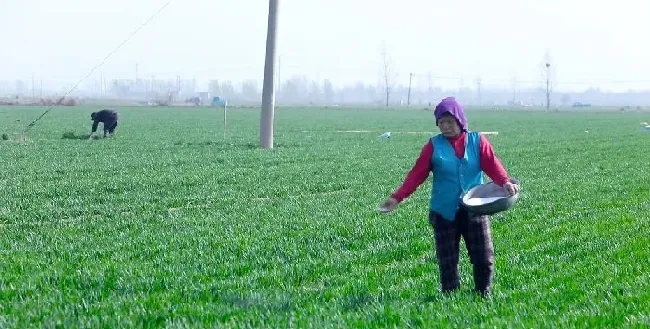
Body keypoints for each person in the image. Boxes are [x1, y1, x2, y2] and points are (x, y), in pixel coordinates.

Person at [379, 96, 520, 297]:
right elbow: (417, 174)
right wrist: (397, 197)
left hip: (475, 209)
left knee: (483, 257)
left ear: (460, 121)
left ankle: (483, 293)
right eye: (441, 122)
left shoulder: (477, 141)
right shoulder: (433, 146)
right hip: (444, 211)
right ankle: (450, 296)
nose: (445, 127)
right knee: (447, 259)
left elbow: (492, 164)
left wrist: (505, 181)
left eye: (450, 122)